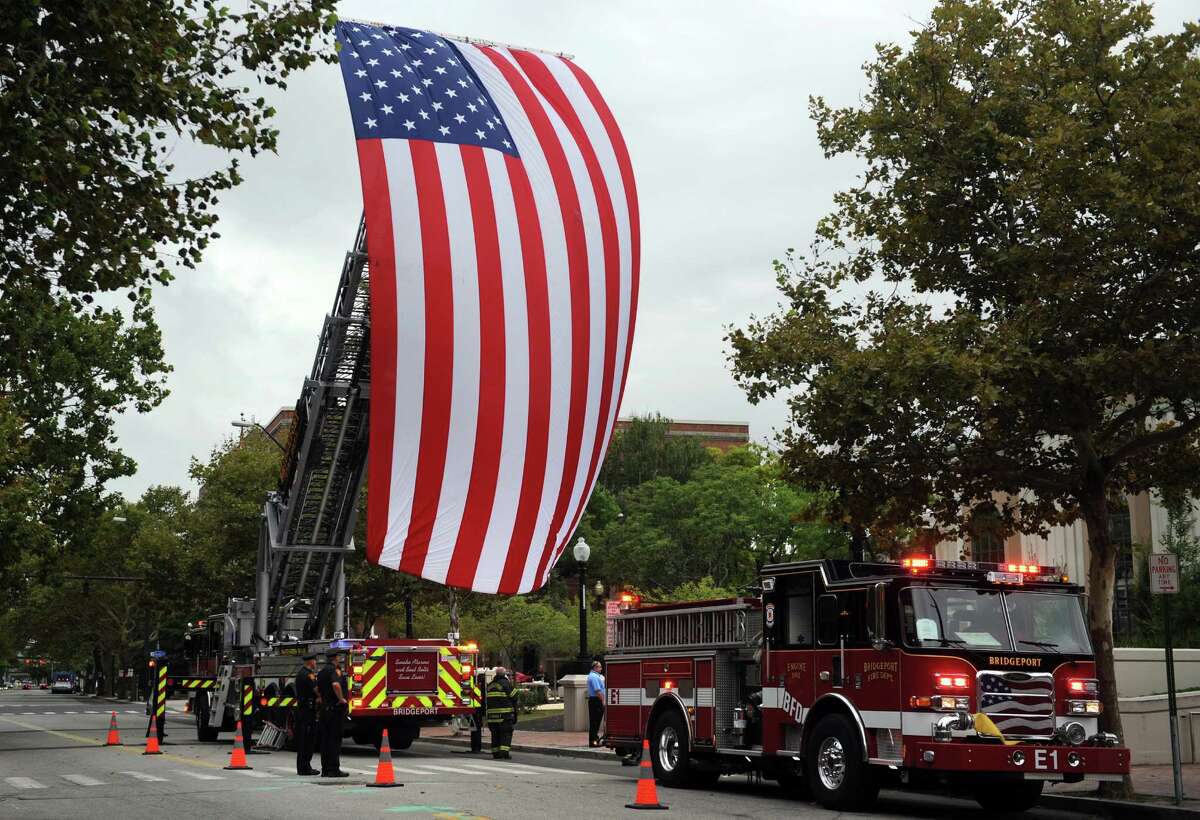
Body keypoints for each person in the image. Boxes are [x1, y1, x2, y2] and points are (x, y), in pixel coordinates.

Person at [316, 649, 349, 777]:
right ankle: (334, 769)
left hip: (325, 710)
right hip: (334, 711)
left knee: (325, 740)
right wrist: (341, 699)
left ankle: (325, 769)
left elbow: (318, 689)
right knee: (335, 740)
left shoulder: (322, 672)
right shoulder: (335, 670)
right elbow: (336, 685)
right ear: (336, 658)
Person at [293, 652, 320, 776]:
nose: (316, 663)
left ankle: (302, 767)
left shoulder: (301, 673)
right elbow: (316, 690)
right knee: (308, 741)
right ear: (310, 661)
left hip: (302, 710)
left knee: (303, 740)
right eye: (315, 660)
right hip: (307, 711)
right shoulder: (309, 675)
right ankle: (305, 767)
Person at [485, 667, 515, 760]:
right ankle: (504, 753)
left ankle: (495, 753)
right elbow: (514, 696)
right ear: (504, 674)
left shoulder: (490, 685)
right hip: (504, 715)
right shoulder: (506, 683)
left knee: (495, 734)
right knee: (506, 733)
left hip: (491, 716)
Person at [586, 660, 605, 747]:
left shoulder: (595, 676)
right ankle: (593, 742)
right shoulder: (594, 677)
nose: (601, 668)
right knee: (595, 722)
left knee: (596, 722)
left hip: (595, 701)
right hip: (596, 701)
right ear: (595, 667)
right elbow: (597, 690)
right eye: (600, 667)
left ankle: (595, 740)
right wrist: (603, 701)